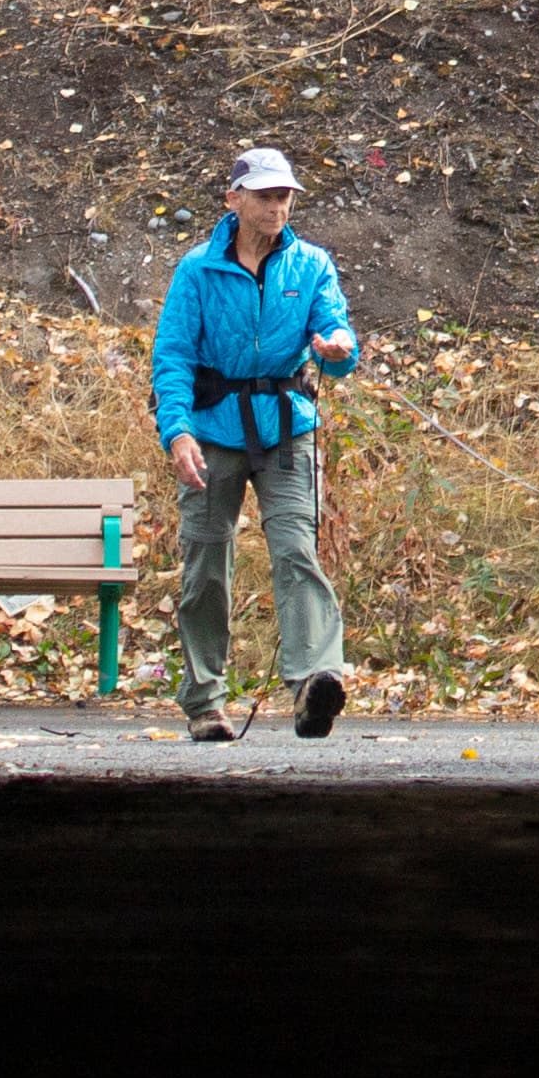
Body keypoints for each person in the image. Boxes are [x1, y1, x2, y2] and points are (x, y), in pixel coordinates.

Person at [148, 148, 360, 740]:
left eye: (284, 195)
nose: (277, 206)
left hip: (287, 429)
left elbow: (339, 335)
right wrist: (178, 432)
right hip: (212, 430)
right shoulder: (196, 270)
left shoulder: (312, 264)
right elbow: (171, 358)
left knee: (296, 550)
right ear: (233, 200)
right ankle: (204, 701)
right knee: (205, 566)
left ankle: (315, 682)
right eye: (265, 196)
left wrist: (338, 346)